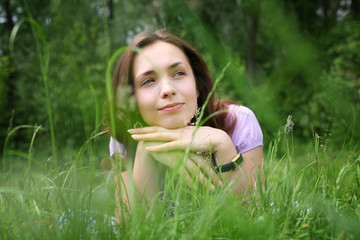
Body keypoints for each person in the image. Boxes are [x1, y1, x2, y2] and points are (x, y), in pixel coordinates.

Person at [107, 29, 263, 221]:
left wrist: (223, 145)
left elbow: (253, 220)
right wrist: (145, 150)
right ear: (132, 99)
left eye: (179, 73)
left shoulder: (238, 122)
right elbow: (128, 229)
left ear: (197, 86)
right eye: (148, 81)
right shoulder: (124, 137)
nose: (167, 90)